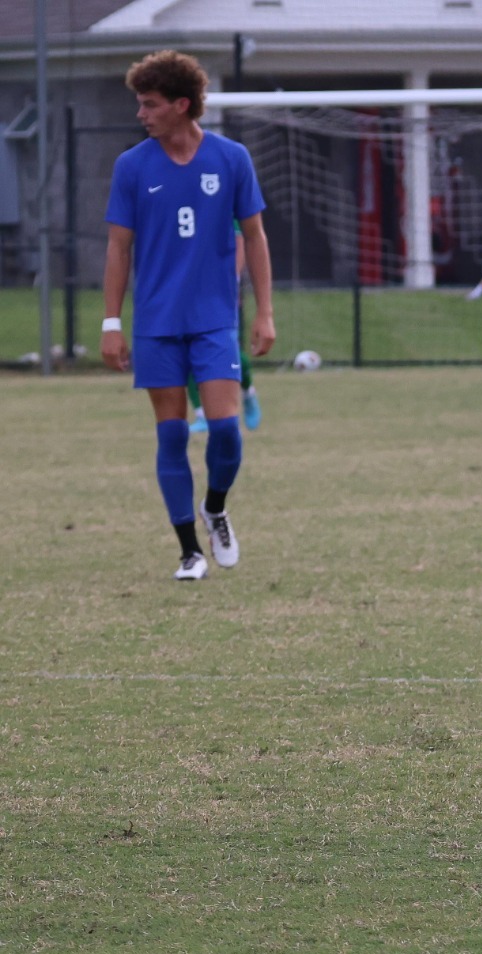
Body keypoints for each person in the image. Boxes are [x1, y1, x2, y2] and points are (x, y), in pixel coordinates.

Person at [102, 49, 275, 582]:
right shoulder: (132, 166)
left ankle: (215, 508)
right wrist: (111, 323)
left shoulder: (231, 158)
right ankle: (189, 553)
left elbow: (255, 236)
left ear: (181, 105)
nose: (141, 114)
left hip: (214, 318)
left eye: (150, 104)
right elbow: (118, 249)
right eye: (140, 104)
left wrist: (264, 313)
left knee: (226, 430)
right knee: (172, 436)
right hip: (156, 323)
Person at [187, 221, 262, 434]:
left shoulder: (221, 203)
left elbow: (239, 242)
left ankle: (248, 392)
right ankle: (202, 415)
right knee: (186, 351)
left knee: (229, 352)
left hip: (219, 291)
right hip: (184, 290)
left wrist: (231, 283)